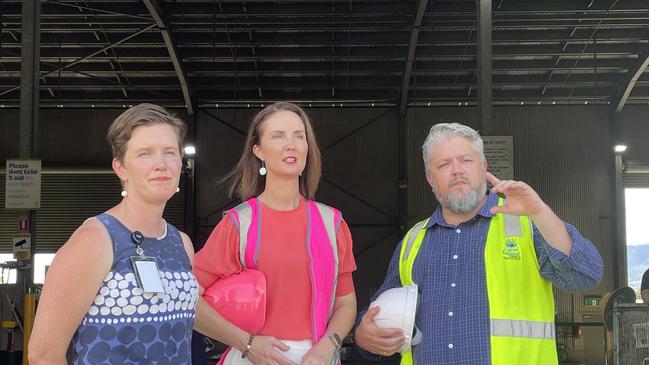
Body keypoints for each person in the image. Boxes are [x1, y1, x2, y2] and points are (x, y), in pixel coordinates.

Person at [354, 122, 603, 365]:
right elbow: (377, 314)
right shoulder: (412, 241)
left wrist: (539, 211)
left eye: (466, 160)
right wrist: (363, 334)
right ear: (430, 178)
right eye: (444, 164)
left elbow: (585, 275)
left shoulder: (527, 226)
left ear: (483, 167)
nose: (457, 170)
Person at [29, 104, 198, 364]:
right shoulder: (96, 240)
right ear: (120, 168)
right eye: (145, 154)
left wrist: (246, 340)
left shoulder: (181, 243)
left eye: (169, 152)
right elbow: (43, 354)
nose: (161, 164)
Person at [193, 102, 357, 365]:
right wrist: (247, 344)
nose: (291, 144)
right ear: (258, 150)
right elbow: (188, 300)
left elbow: (346, 304)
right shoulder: (238, 224)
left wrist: (327, 347)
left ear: (307, 148)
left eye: (299, 135)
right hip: (251, 358)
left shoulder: (332, 223)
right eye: (278, 136)